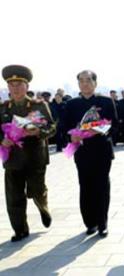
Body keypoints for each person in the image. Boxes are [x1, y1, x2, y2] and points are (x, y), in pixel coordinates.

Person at [0, 65, 56, 242]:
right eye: (12, 85)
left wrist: (38, 132)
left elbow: (51, 127)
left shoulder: (39, 105)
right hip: (13, 158)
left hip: (34, 157)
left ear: (27, 87)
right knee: (14, 196)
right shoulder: (3, 108)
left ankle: (43, 206)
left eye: (19, 85)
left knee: (36, 190)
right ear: (8, 87)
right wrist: (2, 140)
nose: (15, 89)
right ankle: (20, 229)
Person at [63, 70, 117, 237]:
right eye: (81, 81)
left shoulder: (106, 102)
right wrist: (71, 136)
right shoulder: (72, 104)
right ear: (78, 83)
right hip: (82, 151)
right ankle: (90, 223)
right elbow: (64, 127)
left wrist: (98, 131)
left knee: (101, 186)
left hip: (102, 150)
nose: (85, 83)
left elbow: (114, 126)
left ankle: (102, 224)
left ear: (95, 83)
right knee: (85, 187)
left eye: (88, 80)